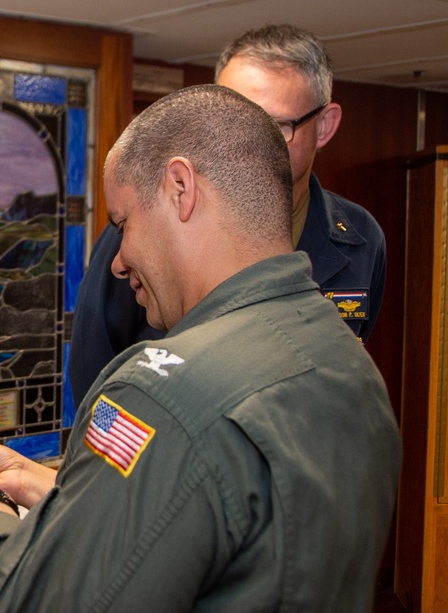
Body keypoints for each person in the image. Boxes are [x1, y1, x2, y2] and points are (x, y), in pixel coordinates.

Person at [0, 84, 401, 613]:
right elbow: (230, 536)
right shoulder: (347, 359)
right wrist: (48, 488)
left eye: (123, 223)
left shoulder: (160, 393)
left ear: (181, 188)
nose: (116, 259)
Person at [69, 24, 387, 404]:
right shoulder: (138, 233)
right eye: (227, 121)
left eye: (275, 124)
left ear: (325, 126)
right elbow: (96, 373)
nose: (245, 140)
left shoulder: (359, 237)